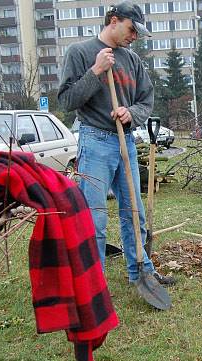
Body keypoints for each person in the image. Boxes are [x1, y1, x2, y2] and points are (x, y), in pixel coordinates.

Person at [58, 1, 175, 293]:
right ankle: (93, 283)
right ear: (113, 20)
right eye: (131, 29)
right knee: (94, 217)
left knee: (134, 212)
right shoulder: (81, 52)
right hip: (94, 140)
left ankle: (141, 272)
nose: (134, 36)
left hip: (126, 143)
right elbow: (67, 101)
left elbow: (145, 100)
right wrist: (96, 71)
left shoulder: (132, 60)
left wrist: (130, 114)